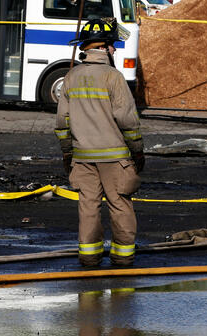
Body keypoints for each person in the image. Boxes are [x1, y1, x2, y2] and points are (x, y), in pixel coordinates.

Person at [55, 17, 144, 268]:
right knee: (120, 205)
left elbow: (63, 121)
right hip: (115, 159)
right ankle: (123, 258)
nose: (115, 49)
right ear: (103, 47)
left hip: (82, 158)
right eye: (113, 45)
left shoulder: (71, 77)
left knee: (88, 207)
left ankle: (89, 256)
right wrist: (138, 152)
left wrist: (67, 153)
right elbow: (127, 120)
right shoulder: (113, 78)